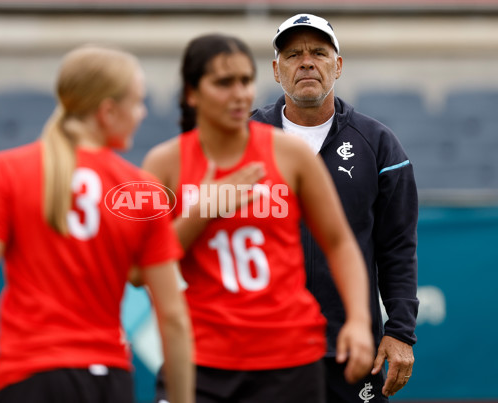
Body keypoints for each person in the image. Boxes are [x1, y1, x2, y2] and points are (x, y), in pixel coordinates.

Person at [0, 44, 194, 403]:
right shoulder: (142, 192)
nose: (142, 113)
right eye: (136, 102)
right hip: (109, 382)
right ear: (107, 111)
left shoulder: (6, 171)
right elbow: (174, 318)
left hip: (30, 379)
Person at [141, 33, 373, 403]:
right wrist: (202, 211)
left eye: (246, 80)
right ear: (191, 93)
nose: (239, 93)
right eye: (223, 82)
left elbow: (340, 242)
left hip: (288, 357)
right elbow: (139, 271)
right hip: (200, 355)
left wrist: (359, 321)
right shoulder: (164, 164)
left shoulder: (291, 155)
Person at [251, 13, 419, 401]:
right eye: (293, 55)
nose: (306, 62)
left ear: (337, 65)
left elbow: (398, 247)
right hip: (262, 350)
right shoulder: (245, 140)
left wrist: (399, 332)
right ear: (276, 71)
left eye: (319, 53)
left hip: (349, 349)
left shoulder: (379, 144)